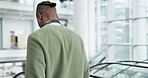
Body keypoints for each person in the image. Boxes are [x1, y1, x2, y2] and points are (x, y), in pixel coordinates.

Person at [25, 1, 89, 78]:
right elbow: (85, 72)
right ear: (57, 16)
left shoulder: (36, 38)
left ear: (39, 16)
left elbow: (34, 75)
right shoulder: (77, 38)